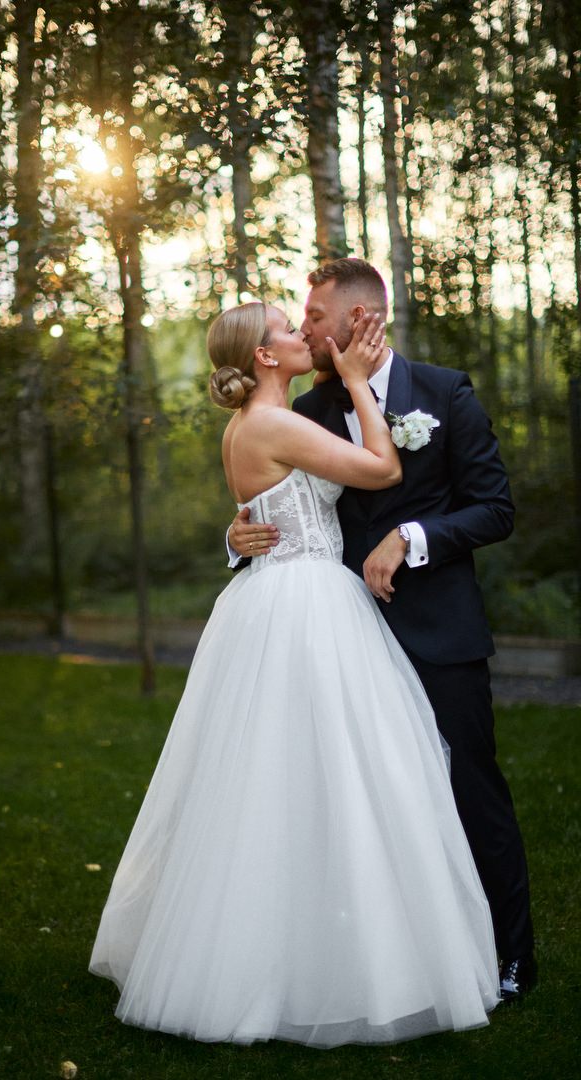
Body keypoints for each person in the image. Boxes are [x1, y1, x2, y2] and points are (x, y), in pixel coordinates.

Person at [89, 301, 500, 1047]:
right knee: (336, 770)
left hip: (279, 596)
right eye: (287, 327)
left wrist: (237, 532)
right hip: (306, 604)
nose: (301, 334)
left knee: (284, 777)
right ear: (265, 357)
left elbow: (266, 513)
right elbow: (383, 468)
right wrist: (358, 381)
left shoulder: (255, 423)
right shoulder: (273, 423)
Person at [229, 259, 536, 1003]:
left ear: (361, 318)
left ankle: (510, 956)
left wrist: (412, 536)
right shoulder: (306, 406)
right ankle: (386, 958)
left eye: (315, 316)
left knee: (470, 787)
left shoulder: (444, 391)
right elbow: (277, 495)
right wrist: (236, 538)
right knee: (351, 801)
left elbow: (494, 508)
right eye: (300, 319)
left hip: (438, 630)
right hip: (337, 636)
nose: (307, 328)